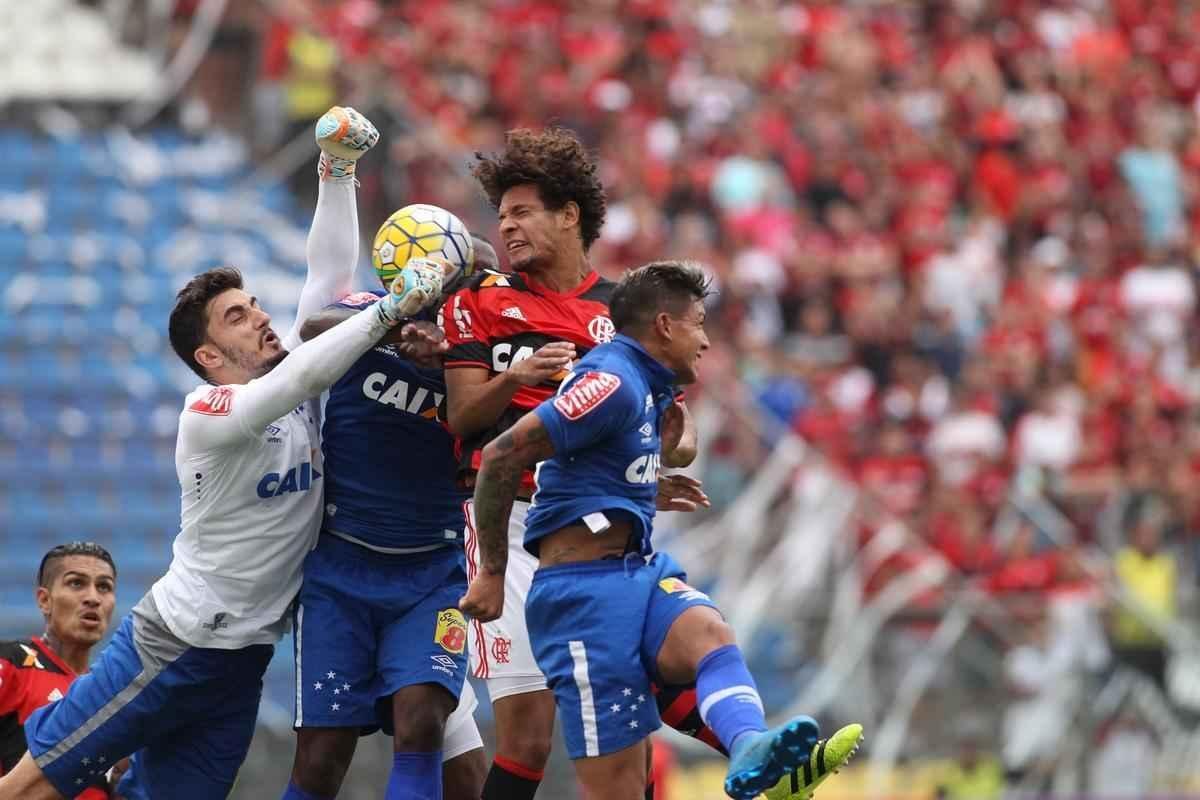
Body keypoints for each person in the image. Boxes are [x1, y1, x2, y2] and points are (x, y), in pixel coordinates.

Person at [0, 107, 449, 800]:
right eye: (238, 317)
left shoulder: (298, 381)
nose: (262, 317)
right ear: (209, 356)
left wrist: (337, 171)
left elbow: (326, 285)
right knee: (35, 785)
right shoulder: (209, 414)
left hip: (241, 663)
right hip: (173, 645)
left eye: (255, 304)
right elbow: (306, 370)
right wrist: (388, 311)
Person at [459, 262, 859, 800]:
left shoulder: (647, 383)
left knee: (709, 633)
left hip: (636, 572)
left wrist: (645, 483)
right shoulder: (610, 382)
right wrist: (491, 571)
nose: (707, 341)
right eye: (699, 324)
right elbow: (501, 455)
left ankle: (752, 750)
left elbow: (595, 468)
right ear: (665, 326)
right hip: (582, 598)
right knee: (621, 788)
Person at [440, 127, 709, 800]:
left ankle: (759, 746)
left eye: (522, 212)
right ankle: (753, 743)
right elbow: (465, 418)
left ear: (569, 215)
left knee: (631, 732)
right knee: (528, 736)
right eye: (502, 215)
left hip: (596, 529)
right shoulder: (480, 300)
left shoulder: (622, 311)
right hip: (504, 524)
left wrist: (662, 456)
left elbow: (675, 434)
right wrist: (518, 375)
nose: (507, 226)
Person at [279, 234, 501, 800]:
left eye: (485, 281)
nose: (476, 288)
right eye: (466, 275)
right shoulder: (377, 309)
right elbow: (314, 329)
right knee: (322, 758)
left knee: (422, 723)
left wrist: (452, 358)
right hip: (341, 567)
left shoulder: (485, 357)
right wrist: (394, 327)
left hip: (432, 572)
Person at [0, 544, 118, 800]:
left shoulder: (113, 696)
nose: (93, 598)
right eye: (76, 583)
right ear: (44, 600)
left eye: (104, 587)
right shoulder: (10, 663)